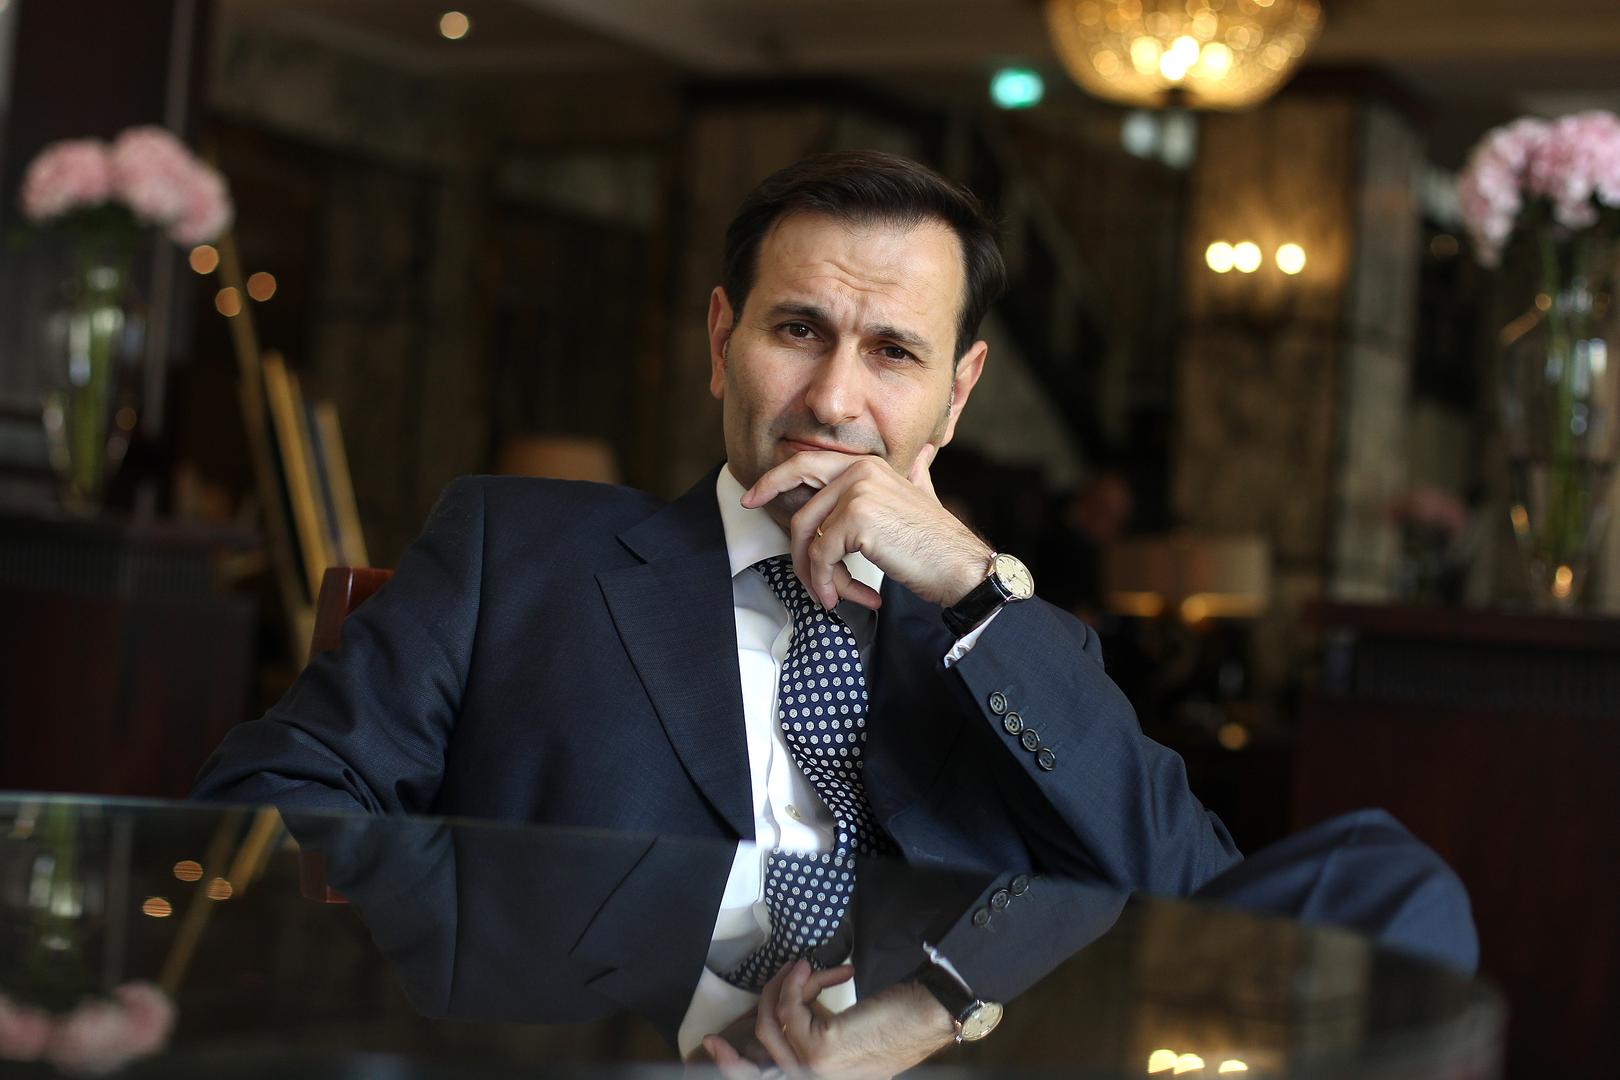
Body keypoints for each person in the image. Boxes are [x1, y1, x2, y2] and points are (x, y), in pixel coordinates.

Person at [194, 151, 1472, 1076]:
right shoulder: (516, 552)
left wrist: (973, 589)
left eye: (894, 352)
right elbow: (265, 801)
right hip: (607, 1056)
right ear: (721, 341)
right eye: (798, 330)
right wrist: (497, 931)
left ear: (958, 394)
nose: (834, 399)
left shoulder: (1014, 646)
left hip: (937, 1057)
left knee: (1400, 884)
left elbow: (1196, 899)